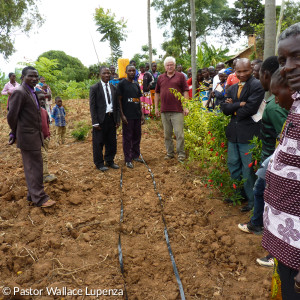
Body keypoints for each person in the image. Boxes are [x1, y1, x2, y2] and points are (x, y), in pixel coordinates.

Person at [261, 23, 300, 300]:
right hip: (288, 243)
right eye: (284, 59)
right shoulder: (296, 105)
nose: (287, 67)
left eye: (297, 56)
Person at [237, 57, 288, 240]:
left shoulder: (274, 107)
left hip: (275, 159)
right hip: (273, 157)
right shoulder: (278, 101)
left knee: (263, 192)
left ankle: (260, 226)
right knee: (262, 190)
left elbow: (284, 138)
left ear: (267, 75)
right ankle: (258, 223)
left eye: (259, 74)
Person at [7, 66, 55, 208]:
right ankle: (40, 198)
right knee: (34, 167)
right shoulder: (20, 92)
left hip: (34, 136)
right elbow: (12, 116)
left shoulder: (32, 91)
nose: (34, 79)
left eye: (36, 76)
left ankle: (32, 195)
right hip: (28, 136)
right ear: (23, 77)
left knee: (34, 166)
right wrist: (14, 132)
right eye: (30, 76)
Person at [221, 58, 265, 212]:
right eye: (238, 71)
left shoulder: (257, 85)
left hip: (249, 134)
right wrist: (238, 105)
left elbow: (251, 109)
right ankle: (237, 195)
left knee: (248, 169)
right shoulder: (232, 88)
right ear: (235, 71)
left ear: (251, 69)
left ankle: (252, 201)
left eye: (245, 70)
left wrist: (232, 108)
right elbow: (223, 108)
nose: (242, 74)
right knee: (233, 165)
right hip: (234, 133)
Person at [155, 56, 189, 162]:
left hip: (177, 110)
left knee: (179, 134)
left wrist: (186, 106)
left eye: (171, 65)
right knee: (167, 134)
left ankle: (181, 153)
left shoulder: (181, 76)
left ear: (174, 66)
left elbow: (185, 91)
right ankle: (170, 153)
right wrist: (156, 107)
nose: (170, 67)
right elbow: (157, 92)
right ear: (165, 66)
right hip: (164, 110)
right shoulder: (160, 77)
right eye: (168, 65)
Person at [89, 66, 120, 172]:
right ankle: (99, 163)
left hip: (111, 118)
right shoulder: (94, 88)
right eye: (104, 73)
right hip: (100, 120)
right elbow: (92, 106)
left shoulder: (113, 88)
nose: (107, 75)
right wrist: (95, 122)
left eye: (108, 73)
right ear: (100, 74)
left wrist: (117, 120)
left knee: (111, 142)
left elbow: (116, 106)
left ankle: (110, 160)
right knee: (98, 143)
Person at [117, 65, 145, 168]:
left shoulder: (136, 85)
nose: (132, 72)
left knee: (137, 136)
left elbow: (138, 100)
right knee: (127, 138)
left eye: (133, 70)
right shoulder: (122, 84)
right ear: (126, 72)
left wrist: (142, 114)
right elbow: (119, 100)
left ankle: (135, 155)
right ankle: (128, 159)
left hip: (137, 115)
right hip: (127, 116)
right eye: (130, 71)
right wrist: (122, 115)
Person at [37, 91, 57, 183]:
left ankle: (39, 174)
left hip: (45, 139)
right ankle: (45, 175)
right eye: (39, 99)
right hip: (37, 140)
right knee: (44, 157)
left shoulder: (44, 111)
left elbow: (47, 124)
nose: (41, 101)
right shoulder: (32, 113)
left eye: (43, 99)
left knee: (43, 157)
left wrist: (48, 135)